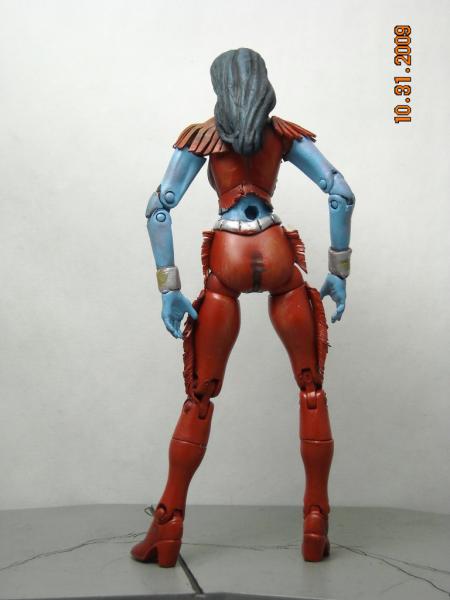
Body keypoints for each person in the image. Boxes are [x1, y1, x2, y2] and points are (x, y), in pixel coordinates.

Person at [131, 48, 355, 567]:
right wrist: (338, 270)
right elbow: (340, 193)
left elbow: (159, 207)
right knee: (311, 389)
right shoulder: (281, 135)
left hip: (227, 253)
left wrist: (169, 286)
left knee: (201, 395)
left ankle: (168, 524)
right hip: (277, 250)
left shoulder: (203, 137)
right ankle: (316, 521)